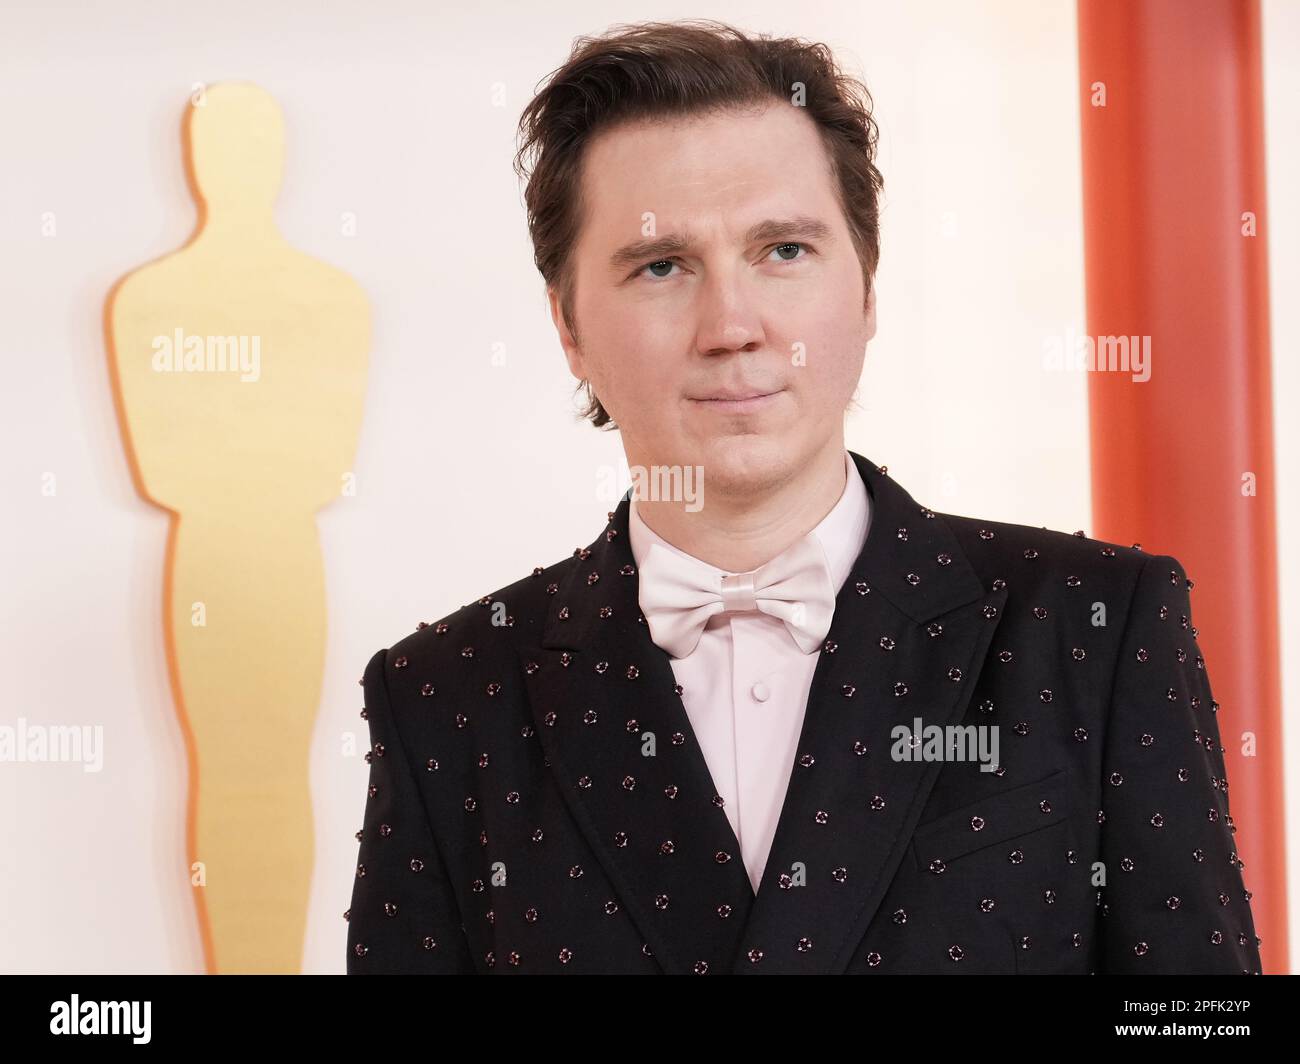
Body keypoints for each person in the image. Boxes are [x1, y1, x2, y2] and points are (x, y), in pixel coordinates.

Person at [346, 19, 1261, 974]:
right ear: (568, 327)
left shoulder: (1093, 626)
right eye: (661, 266)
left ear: (866, 289)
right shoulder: (443, 698)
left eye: (783, 250)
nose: (734, 325)